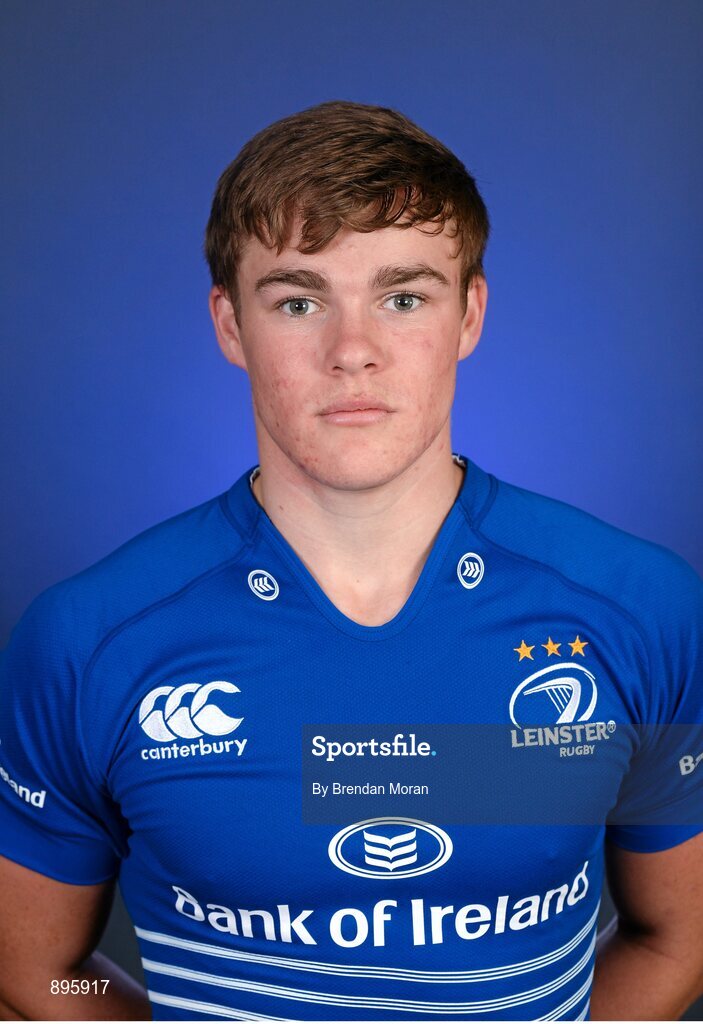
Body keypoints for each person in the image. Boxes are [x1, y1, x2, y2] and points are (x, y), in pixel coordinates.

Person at [0, 99, 701, 1023]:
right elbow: (43, 971)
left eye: (402, 298)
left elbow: (676, 938)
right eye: (298, 301)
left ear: (469, 315)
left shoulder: (640, 609)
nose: (353, 353)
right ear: (229, 325)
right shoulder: (86, 641)